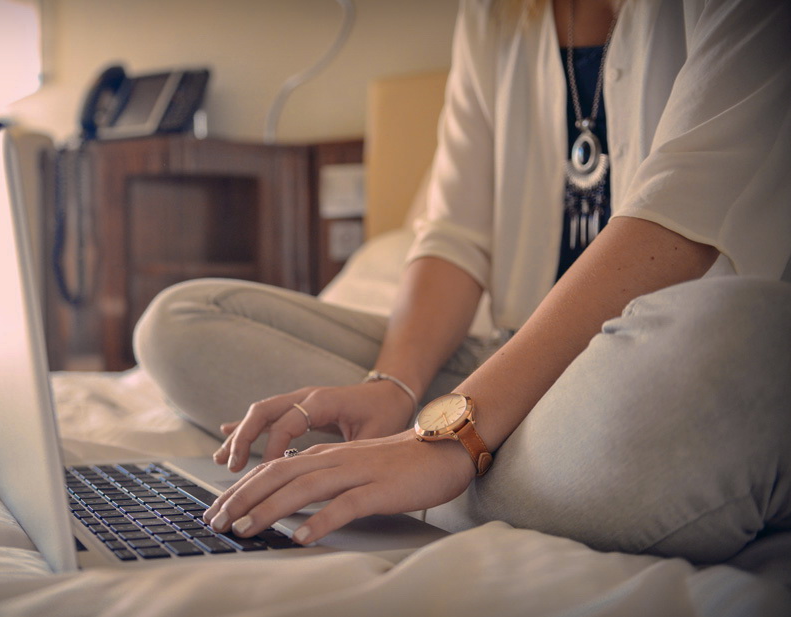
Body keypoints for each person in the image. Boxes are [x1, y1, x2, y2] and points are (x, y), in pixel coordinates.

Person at [135, 0, 791, 565]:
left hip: (650, 370)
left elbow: (677, 219)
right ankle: (439, 466)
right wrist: (395, 386)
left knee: (750, 338)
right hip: (508, 359)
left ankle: (430, 470)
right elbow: (454, 233)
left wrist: (452, 439)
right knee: (183, 319)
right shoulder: (494, 11)